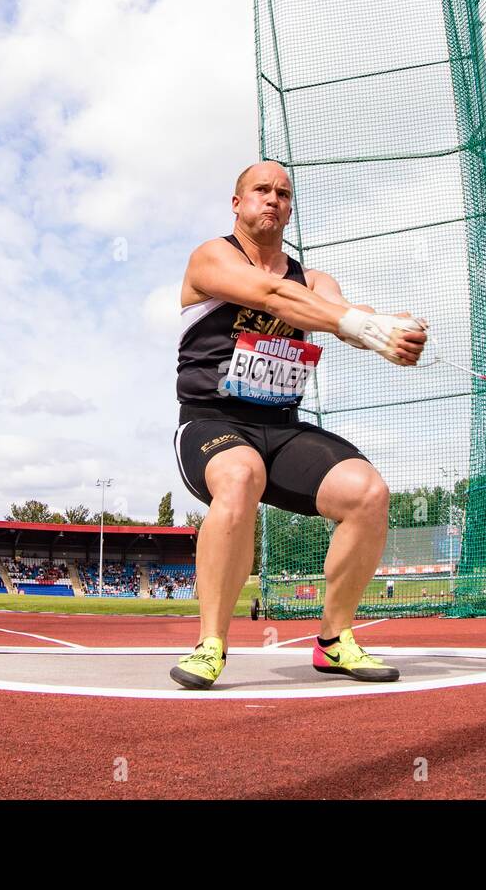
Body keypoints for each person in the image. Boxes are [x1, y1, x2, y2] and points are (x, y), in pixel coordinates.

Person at [170, 161, 427, 690]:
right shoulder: (212, 256)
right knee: (240, 476)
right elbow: (269, 296)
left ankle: (335, 641)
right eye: (260, 190)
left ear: (291, 208)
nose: (273, 199)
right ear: (237, 204)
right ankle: (210, 644)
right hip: (212, 423)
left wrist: (387, 330)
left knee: (367, 492)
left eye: (283, 193)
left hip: (282, 429)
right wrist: (357, 323)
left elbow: (338, 312)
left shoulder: (312, 281)